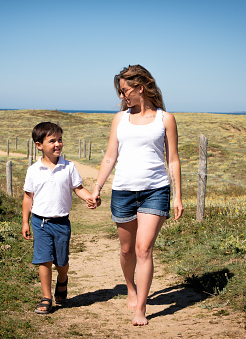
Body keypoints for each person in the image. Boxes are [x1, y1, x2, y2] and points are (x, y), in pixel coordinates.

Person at [90, 65, 184, 326]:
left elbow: (173, 160)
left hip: (155, 190)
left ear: (140, 88)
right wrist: (97, 187)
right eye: (120, 92)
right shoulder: (119, 119)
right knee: (127, 249)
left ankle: (140, 308)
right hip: (123, 191)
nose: (122, 97)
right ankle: (130, 287)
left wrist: (177, 196)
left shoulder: (165, 119)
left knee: (144, 249)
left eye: (124, 91)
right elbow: (111, 155)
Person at [22, 122, 100, 314]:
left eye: (60, 140)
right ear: (39, 145)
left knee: (61, 262)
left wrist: (91, 198)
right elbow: (28, 197)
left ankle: (63, 279)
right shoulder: (33, 170)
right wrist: (25, 221)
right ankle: (46, 297)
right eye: (52, 141)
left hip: (61, 223)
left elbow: (78, 189)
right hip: (40, 222)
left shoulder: (69, 167)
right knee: (44, 260)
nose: (58, 144)